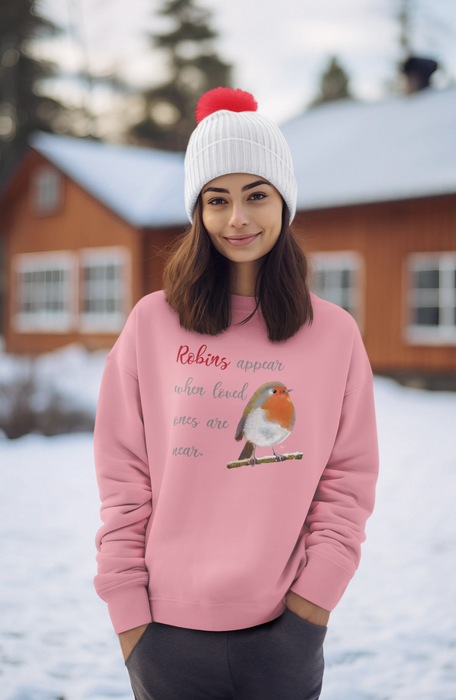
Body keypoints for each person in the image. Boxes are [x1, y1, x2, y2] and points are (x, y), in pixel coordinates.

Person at [93, 87, 380, 700]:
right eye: (217, 200)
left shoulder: (332, 334)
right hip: (164, 635)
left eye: (257, 195)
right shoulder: (153, 323)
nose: (238, 219)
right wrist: (130, 620)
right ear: (197, 212)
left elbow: (347, 482)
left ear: (285, 202)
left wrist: (310, 609)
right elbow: (123, 476)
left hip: (284, 635)